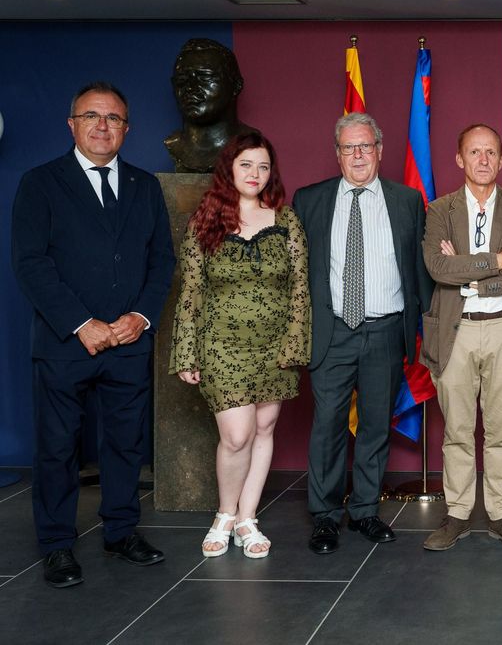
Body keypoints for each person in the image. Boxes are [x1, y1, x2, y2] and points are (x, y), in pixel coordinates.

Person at [12, 81, 175, 588]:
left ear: (127, 128)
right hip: (66, 343)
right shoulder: (40, 183)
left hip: (128, 341)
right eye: (92, 117)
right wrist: (82, 323)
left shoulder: (146, 186)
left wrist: (140, 316)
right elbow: (31, 263)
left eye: (113, 118)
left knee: (126, 443)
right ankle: (57, 544)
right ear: (72, 125)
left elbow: (161, 260)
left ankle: (121, 532)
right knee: (58, 448)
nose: (103, 126)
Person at [293, 112, 432, 555]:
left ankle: (366, 510)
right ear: (337, 154)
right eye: (348, 147)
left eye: (365, 146)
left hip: (385, 332)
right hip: (332, 331)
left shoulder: (407, 201)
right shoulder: (309, 201)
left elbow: (419, 270)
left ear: (380, 151)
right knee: (328, 425)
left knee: (375, 425)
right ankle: (325, 516)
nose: (357, 155)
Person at [170, 132, 310, 559]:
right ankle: (225, 514)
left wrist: (294, 345)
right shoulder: (205, 221)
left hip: (274, 346)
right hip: (222, 345)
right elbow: (191, 292)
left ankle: (248, 518)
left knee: (264, 428)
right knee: (236, 436)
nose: (255, 173)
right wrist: (186, 351)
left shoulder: (286, 220)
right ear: (229, 168)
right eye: (246, 164)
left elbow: (300, 289)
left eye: (264, 166)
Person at [421, 124, 502, 552]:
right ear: (460, 159)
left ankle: (501, 515)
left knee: (500, 430)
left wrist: (474, 279)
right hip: (456, 330)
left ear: (501, 160)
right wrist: (496, 260)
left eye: (491, 152)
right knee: (457, 429)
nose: (483, 160)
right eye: (475, 152)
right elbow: (438, 267)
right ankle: (457, 515)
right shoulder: (440, 210)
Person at [164, 38, 257, 173]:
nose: (190, 88)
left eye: (205, 77)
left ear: (236, 85)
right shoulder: (172, 144)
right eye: (182, 80)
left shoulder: (251, 142)